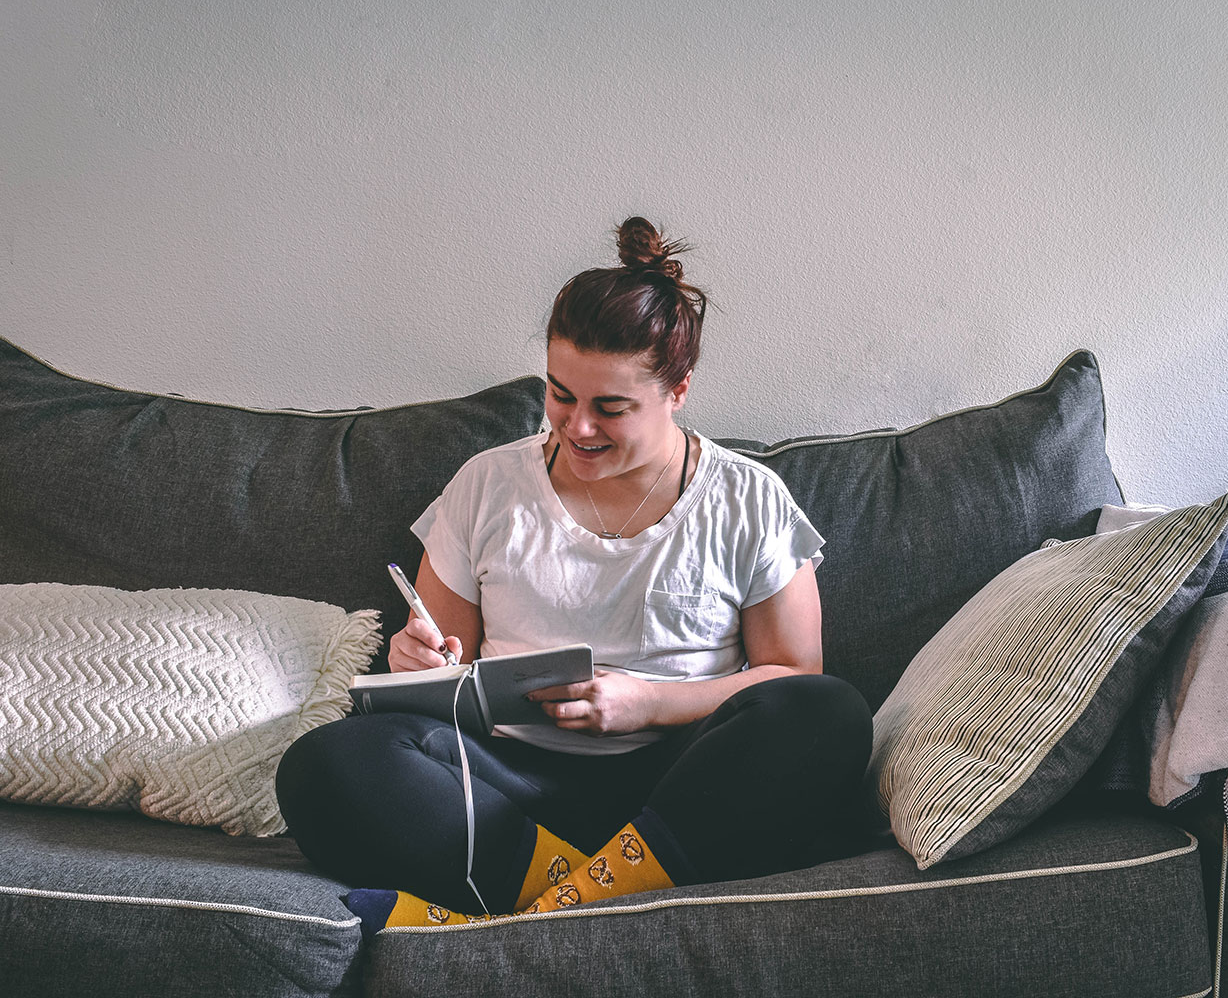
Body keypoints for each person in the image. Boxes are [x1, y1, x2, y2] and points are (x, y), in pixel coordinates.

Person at [275, 217, 873, 936]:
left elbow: (790, 676)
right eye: (561, 396)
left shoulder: (747, 499)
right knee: (324, 765)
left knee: (828, 715)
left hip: (681, 781)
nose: (577, 428)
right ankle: (606, 899)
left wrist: (650, 703)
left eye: (609, 408)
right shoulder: (488, 484)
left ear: (678, 390)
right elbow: (441, 671)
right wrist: (417, 661)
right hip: (511, 785)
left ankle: (496, 922)